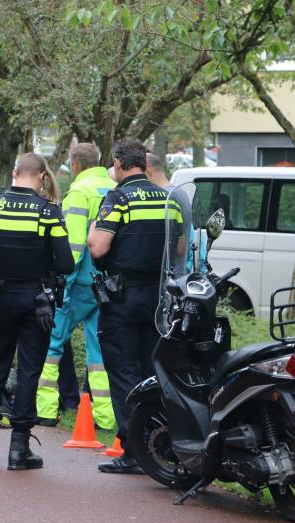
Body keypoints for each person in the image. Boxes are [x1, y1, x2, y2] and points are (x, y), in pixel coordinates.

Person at [0, 153, 74, 470]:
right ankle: (19, 450)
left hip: (1, 297)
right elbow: (66, 264)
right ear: (42, 176)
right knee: (29, 371)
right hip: (36, 301)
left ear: (15, 172)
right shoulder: (48, 212)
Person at [88, 139, 182, 474]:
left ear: (118, 163)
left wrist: (92, 229)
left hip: (123, 298)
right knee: (151, 371)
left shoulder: (118, 198)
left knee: (124, 372)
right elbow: (181, 246)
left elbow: (98, 249)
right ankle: (158, 444)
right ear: (143, 162)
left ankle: (134, 451)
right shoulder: (169, 199)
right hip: (159, 298)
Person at [35, 143, 116, 430]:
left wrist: (61, 284)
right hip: (105, 286)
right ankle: (107, 418)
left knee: (52, 344)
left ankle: (44, 410)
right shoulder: (114, 190)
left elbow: (73, 246)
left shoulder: (79, 194)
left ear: (76, 165)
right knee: (98, 353)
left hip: (78, 285)